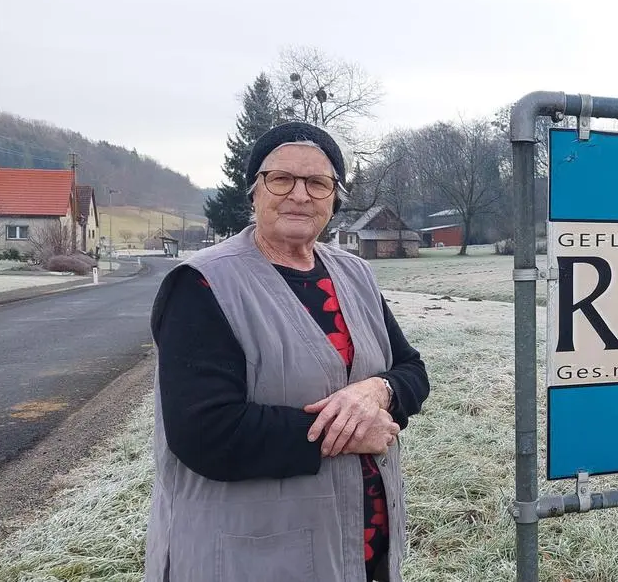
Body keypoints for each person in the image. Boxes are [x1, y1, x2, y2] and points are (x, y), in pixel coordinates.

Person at [144, 122, 430, 582]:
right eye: (281, 179)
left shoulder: (355, 274)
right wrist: (351, 432)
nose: (300, 195)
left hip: (357, 551)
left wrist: (377, 391)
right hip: (247, 557)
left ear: (334, 199)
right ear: (254, 191)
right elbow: (205, 433)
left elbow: (411, 370)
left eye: (317, 182)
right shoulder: (203, 284)